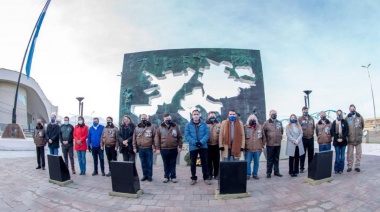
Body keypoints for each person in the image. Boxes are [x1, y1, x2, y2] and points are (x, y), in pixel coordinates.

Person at [155, 113, 183, 183]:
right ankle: (166, 177)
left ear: (171, 119)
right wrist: (157, 148)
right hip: (164, 149)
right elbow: (157, 138)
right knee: (166, 163)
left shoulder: (175, 126)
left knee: (173, 163)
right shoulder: (160, 127)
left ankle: (173, 177)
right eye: (166, 119)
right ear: (164, 119)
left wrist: (180, 146)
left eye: (169, 118)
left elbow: (179, 137)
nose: (168, 120)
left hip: (173, 148)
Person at [185, 110, 211, 185]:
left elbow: (207, 134)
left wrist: (201, 142)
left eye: (197, 114)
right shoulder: (188, 125)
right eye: (194, 114)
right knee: (193, 163)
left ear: (199, 115)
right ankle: (193, 178)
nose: (196, 115)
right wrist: (195, 142)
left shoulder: (204, 124)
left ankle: (205, 178)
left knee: (204, 163)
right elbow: (187, 135)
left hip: (203, 146)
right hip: (193, 146)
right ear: (192, 115)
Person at [133, 114, 156, 182]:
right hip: (140, 148)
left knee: (149, 163)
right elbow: (134, 138)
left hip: (148, 148)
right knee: (143, 163)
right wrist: (134, 147)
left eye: (145, 118)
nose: (143, 119)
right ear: (140, 119)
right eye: (142, 118)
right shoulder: (137, 127)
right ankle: (144, 175)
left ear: (147, 119)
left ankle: (149, 176)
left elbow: (155, 137)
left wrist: (154, 147)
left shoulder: (151, 127)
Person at [263, 109, 284, 178]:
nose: (274, 114)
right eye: (272, 113)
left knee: (276, 159)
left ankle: (276, 172)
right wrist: (266, 141)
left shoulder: (279, 122)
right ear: (269, 115)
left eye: (275, 113)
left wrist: (279, 137)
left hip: (278, 144)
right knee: (270, 159)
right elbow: (263, 133)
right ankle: (268, 173)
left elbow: (281, 131)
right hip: (270, 144)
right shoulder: (266, 123)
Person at [244, 114, 264, 180]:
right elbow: (243, 138)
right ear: (248, 120)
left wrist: (263, 146)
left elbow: (263, 137)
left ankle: (255, 174)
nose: (252, 120)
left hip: (257, 148)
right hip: (248, 149)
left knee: (256, 162)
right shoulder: (245, 127)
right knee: (248, 162)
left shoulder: (260, 127)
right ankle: (248, 174)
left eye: (254, 119)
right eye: (251, 119)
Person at [345, 104, 364, 172]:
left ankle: (357, 166)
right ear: (349, 110)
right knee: (349, 154)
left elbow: (362, 126)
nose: (352, 110)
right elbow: (345, 127)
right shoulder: (347, 117)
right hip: (350, 138)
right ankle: (349, 166)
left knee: (358, 153)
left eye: (353, 109)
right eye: (351, 109)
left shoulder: (359, 116)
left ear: (355, 109)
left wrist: (359, 133)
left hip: (358, 138)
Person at [331, 110, 348, 174]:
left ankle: (341, 169)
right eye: (338, 114)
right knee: (337, 156)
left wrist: (342, 138)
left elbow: (346, 131)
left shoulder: (344, 122)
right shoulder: (334, 122)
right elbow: (332, 131)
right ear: (336, 115)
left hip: (343, 142)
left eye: (340, 114)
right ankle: (336, 168)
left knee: (342, 156)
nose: (339, 115)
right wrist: (337, 138)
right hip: (336, 142)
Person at [298, 106, 315, 173]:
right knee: (302, 154)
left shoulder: (311, 119)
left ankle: (310, 167)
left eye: (306, 110)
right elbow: (298, 128)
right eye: (304, 110)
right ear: (302, 111)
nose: (305, 111)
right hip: (303, 138)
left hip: (310, 138)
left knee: (311, 154)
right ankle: (301, 167)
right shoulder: (300, 119)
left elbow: (313, 127)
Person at [206, 111, 221, 180]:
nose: (212, 117)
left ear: (215, 117)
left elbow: (221, 135)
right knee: (208, 161)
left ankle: (216, 174)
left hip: (216, 145)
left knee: (216, 161)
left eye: (213, 116)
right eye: (211, 116)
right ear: (208, 117)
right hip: (208, 145)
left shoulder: (219, 124)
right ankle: (209, 174)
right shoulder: (205, 124)